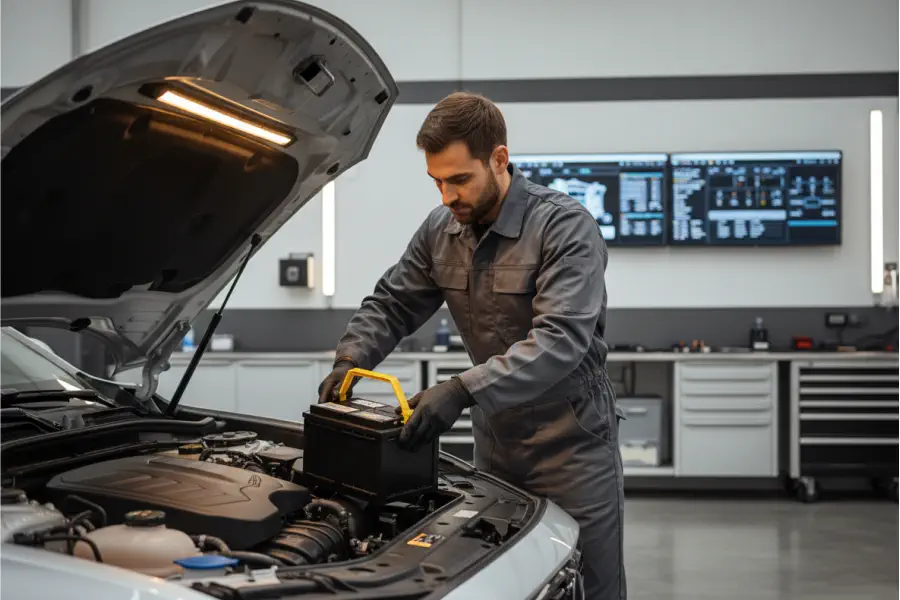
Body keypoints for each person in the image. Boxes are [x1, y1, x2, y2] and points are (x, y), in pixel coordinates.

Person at [317, 92, 626, 600]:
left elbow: (560, 339)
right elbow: (393, 302)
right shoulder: (442, 230)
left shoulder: (565, 227)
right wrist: (351, 359)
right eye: (437, 181)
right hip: (497, 445)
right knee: (506, 584)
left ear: (499, 160)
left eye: (459, 179)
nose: (446, 196)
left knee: (588, 586)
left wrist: (461, 389)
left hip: (573, 449)